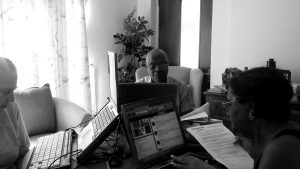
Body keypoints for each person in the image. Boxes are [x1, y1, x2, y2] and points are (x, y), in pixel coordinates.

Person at [171, 67, 300, 169]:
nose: (227, 110)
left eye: (230, 103)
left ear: (251, 107)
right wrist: (252, 147)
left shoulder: (280, 150)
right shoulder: (281, 134)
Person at [136, 48, 194, 115]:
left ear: (168, 65)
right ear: (147, 68)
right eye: (152, 66)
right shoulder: (136, 87)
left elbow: (188, 116)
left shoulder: (181, 87)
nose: (157, 69)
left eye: (161, 64)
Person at [0, 57, 30, 169]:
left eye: (13, 90)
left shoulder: (12, 107)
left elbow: (24, 152)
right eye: (6, 92)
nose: (12, 98)